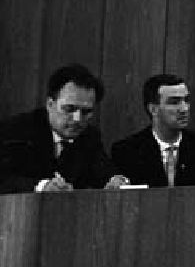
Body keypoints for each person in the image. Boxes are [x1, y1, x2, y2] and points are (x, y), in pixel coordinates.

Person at [0, 64, 128, 194]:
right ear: (50, 104)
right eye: (69, 109)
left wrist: (115, 180)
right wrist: (41, 186)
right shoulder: (16, 130)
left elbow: (103, 169)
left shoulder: (89, 137)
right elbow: (5, 178)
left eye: (86, 111)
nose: (78, 118)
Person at [111, 74, 195, 187]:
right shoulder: (127, 151)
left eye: (186, 100)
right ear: (153, 109)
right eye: (174, 102)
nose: (184, 109)